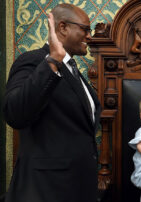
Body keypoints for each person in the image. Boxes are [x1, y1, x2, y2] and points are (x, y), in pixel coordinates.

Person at [3, 3, 101, 202]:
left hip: (78, 188)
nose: (90, 36)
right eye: (85, 29)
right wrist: (53, 60)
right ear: (63, 28)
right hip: (46, 190)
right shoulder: (33, 61)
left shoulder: (74, 71)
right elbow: (15, 113)